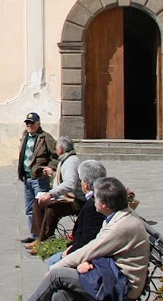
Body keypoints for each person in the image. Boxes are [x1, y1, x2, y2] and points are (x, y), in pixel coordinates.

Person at [30, 177, 151, 301]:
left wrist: (53, 269)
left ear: (104, 205)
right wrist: (86, 262)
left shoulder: (121, 227)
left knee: (56, 275)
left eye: (95, 197)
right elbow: (98, 249)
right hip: (111, 273)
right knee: (61, 295)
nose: (93, 200)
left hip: (121, 286)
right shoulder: (118, 216)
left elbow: (89, 250)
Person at [46, 160, 108, 266]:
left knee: (52, 263)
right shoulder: (98, 199)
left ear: (86, 184)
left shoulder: (94, 205)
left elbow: (88, 238)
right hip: (84, 249)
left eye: (81, 181)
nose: (80, 184)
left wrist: (70, 251)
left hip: (87, 254)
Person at [28, 137, 81, 251]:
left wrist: (51, 194)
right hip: (65, 197)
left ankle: (44, 242)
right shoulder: (64, 160)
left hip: (75, 200)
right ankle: (40, 237)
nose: (55, 149)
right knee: (38, 203)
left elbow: (70, 184)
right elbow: (63, 179)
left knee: (52, 209)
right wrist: (53, 174)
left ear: (61, 149)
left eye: (56, 147)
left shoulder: (72, 161)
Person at [18, 112, 58, 244]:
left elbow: (55, 155)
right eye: (27, 123)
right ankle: (34, 234)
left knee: (40, 206)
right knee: (29, 208)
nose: (29, 125)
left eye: (32, 123)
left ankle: (43, 235)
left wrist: (50, 167)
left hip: (39, 178)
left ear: (38, 124)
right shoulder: (25, 136)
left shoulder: (45, 138)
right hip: (27, 177)